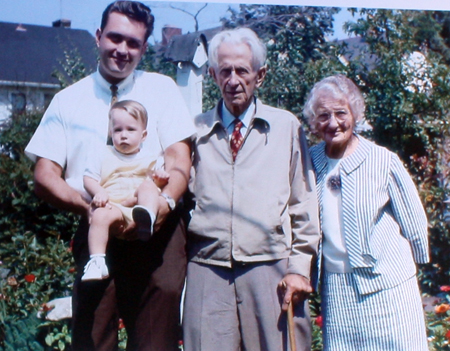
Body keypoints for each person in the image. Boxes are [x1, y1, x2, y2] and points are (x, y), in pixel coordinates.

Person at [25, 1, 194, 350]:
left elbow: (180, 159)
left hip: (156, 228)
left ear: (144, 48)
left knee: (155, 339)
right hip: (98, 225)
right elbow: (45, 175)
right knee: (92, 335)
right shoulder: (68, 100)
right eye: (115, 38)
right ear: (99, 36)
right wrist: (87, 206)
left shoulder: (162, 90)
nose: (122, 50)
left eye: (133, 43)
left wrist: (163, 205)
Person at [183, 27, 320, 351]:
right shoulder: (194, 129)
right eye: (225, 70)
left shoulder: (285, 126)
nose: (233, 80)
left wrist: (299, 269)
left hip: (270, 265)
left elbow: (303, 202)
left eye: (242, 70)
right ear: (213, 74)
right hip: (208, 265)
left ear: (260, 75)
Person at [304, 74, 429, 350]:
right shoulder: (309, 160)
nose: (333, 123)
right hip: (337, 290)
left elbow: (414, 220)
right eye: (323, 115)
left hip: (389, 285)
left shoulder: (383, 160)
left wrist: (419, 260)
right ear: (314, 121)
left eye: (340, 113)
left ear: (355, 113)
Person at [82, 100, 169, 281]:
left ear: (143, 135)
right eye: (118, 130)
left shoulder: (151, 158)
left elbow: (160, 184)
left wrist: (159, 180)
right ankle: (97, 262)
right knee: (99, 215)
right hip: (114, 205)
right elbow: (88, 178)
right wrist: (99, 192)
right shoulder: (102, 154)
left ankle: (147, 218)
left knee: (149, 186)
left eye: (130, 130)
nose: (123, 136)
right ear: (110, 132)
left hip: (139, 203)